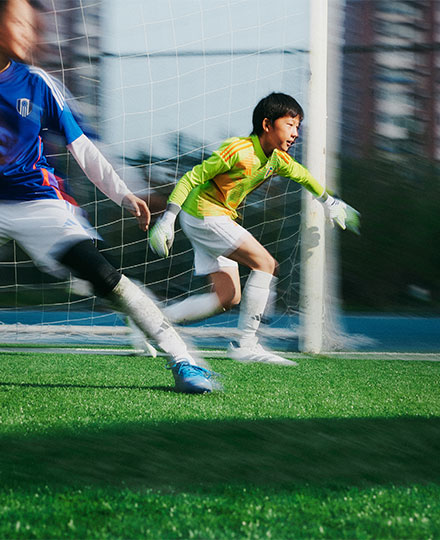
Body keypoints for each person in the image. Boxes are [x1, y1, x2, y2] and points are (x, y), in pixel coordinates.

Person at [0, 0, 215, 393]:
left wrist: (123, 194)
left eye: (34, 27)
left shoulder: (37, 84)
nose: (30, 35)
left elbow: (82, 147)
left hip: (39, 203)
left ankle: (183, 360)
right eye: (19, 23)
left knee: (104, 278)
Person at [149, 92, 360, 365]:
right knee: (266, 264)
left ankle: (149, 321)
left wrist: (330, 202)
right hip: (204, 215)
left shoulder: (277, 160)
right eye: (290, 125)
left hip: (214, 218)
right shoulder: (238, 150)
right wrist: (167, 220)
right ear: (267, 125)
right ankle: (245, 345)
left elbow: (304, 176)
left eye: (298, 127)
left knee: (228, 298)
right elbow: (191, 178)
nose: (296, 133)